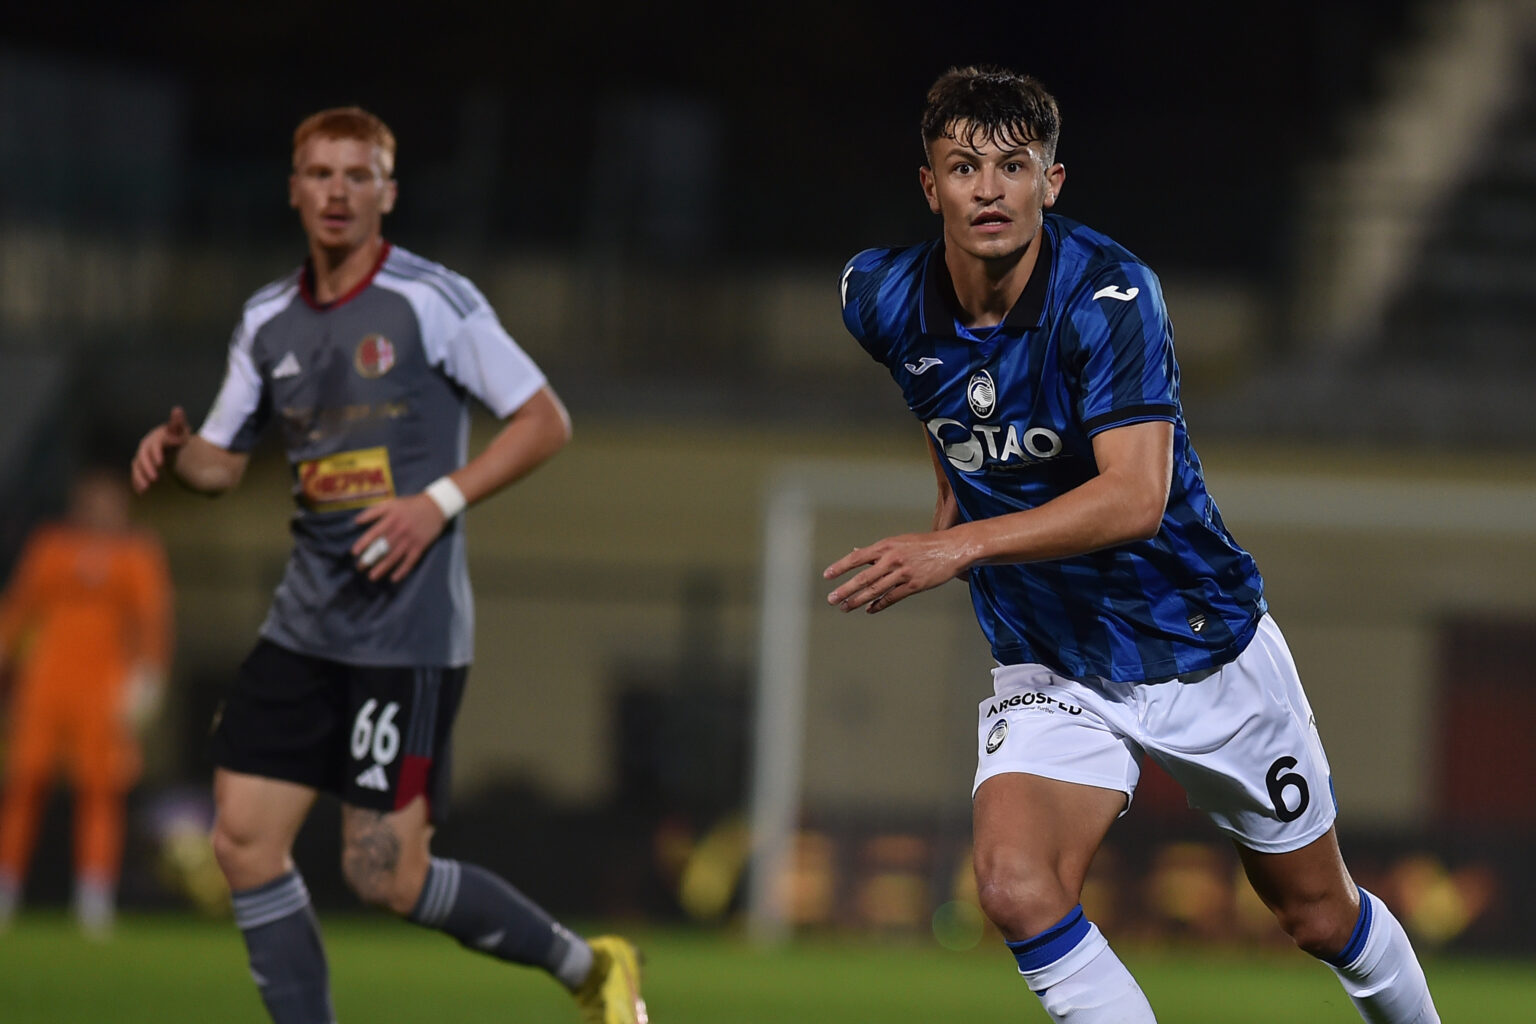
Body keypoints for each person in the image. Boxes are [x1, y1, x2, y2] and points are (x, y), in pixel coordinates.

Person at [826, 67, 1439, 1023]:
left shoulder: (1110, 297)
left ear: (1052, 182)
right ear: (928, 186)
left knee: (1318, 915)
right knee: (1018, 886)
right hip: (1052, 654)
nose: (988, 190)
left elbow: (1134, 499)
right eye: (963, 168)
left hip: (1196, 640)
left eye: (1013, 167)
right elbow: (934, 387)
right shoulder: (878, 295)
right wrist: (950, 475)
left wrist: (961, 544)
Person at [130, 106, 646, 1024]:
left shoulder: (431, 301)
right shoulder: (266, 319)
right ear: (293, 190)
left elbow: (544, 420)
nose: (337, 192)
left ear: (387, 194)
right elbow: (220, 459)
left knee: (385, 875)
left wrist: (434, 502)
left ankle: (590, 965)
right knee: (244, 842)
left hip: (404, 631)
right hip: (303, 623)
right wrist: (179, 454)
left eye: (357, 175)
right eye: (320, 174)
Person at [0, 466, 172, 937]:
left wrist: (148, 679)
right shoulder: (51, 546)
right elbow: (17, 613)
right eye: (92, 500)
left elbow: (152, 622)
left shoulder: (137, 554)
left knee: (100, 791)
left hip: (103, 688)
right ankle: (6, 891)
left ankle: (94, 898)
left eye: (109, 501)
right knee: (23, 784)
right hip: (44, 684)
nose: (100, 510)